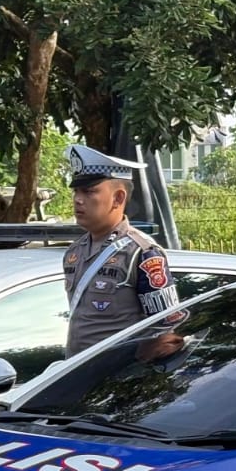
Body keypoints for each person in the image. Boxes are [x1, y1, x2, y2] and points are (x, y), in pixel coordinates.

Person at [60, 145, 182, 359]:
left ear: (118, 198)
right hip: (78, 372)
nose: (78, 199)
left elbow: (166, 334)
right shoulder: (74, 251)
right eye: (76, 191)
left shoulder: (142, 253)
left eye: (89, 191)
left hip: (118, 375)